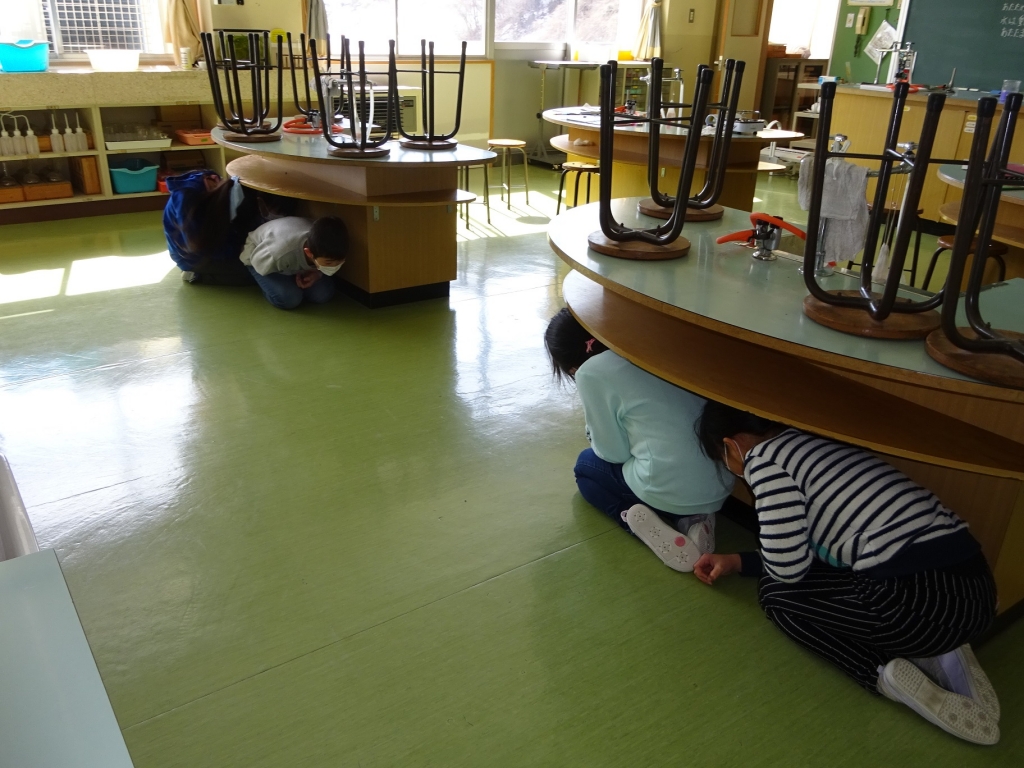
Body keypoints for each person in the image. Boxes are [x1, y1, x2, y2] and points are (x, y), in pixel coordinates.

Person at [692, 401, 1001, 745]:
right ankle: (946, 650)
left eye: (724, 461)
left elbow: (788, 570)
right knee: (847, 570)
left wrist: (763, 563)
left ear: (731, 446)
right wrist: (739, 561)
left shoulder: (764, 462)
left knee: (775, 596)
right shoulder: (817, 441)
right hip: (978, 589)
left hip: (916, 601)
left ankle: (883, 673)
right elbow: (814, 549)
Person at [544, 308, 734, 572]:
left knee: (585, 467)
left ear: (570, 366)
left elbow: (613, 453)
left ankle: (632, 518)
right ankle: (694, 519)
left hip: (665, 483)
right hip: (722, 479)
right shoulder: (647, 341)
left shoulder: (590, 372)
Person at [164, 171, 263, 286]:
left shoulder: (210, 182)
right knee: (257, 273)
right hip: (191, 257)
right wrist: (237, 250)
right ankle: (195, 274)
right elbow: (197, 247)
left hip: (210, 244)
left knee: (258, 264)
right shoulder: (186, 201)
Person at [241, 215, 347, 310]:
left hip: (290, 254)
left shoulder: (324, 245)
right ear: (309, 253)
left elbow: (325, 261)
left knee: (323, 294)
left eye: (340, 261)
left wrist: (317, 274)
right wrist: (293, 272)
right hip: (258, 257)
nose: (335, 266)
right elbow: (257, 262)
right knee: (290, 299)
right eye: (329, 263)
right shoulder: (279, 253)